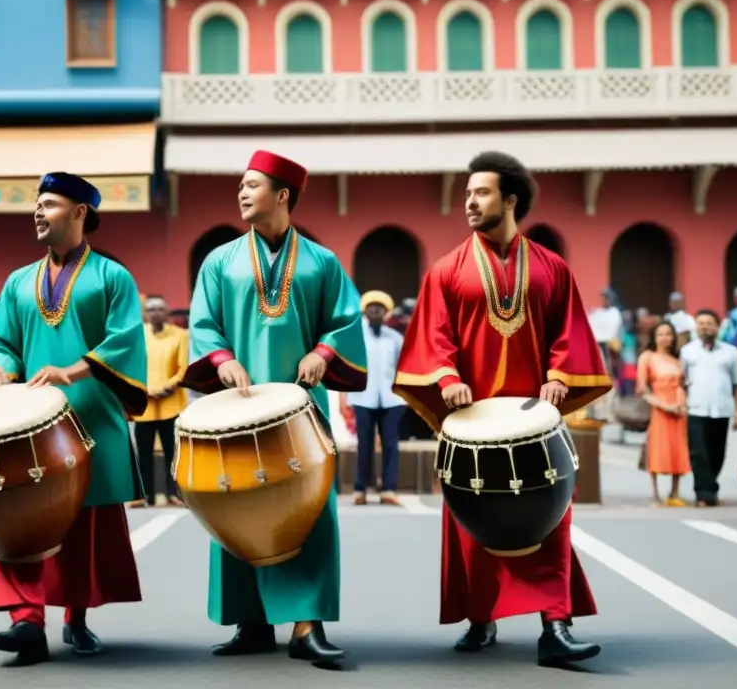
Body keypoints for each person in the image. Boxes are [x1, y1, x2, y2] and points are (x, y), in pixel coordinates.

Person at [392, 151, 612, 668]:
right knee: (471, 523)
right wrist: (446, 378)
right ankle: (480, 618)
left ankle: (556, 627)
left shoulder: (553, 269)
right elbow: (433, 338)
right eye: (467, 194)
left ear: (511, 199)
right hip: (472, 424)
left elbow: (568, 333)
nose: (469, 201)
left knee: (551, 522)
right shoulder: (446, 270)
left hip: (534, 423)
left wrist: (559, 375)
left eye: (481, 192)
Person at [181, 149, 368, 664]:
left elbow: (344, 320)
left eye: (252, 185)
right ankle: (251, 622)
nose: (241, 193)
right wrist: (220, 360)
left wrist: (322, 352)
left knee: (310, 510)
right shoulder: (219, 260)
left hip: (302, 409)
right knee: (235, 503)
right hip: (235, 410)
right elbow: (203, 323)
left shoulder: (321, 261)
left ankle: (307, 625)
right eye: (239, 185)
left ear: (282, 195)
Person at [0, 171, 148, 665]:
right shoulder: (17, 281)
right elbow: (2, 342)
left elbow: (124, 340)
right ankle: (26, 621)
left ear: (80, 213)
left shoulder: (113, 277)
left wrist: (73, 372)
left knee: (81, 524)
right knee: (20, 519)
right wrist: (0, 370)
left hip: (90, 418)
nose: (38, 211)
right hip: (32, 423)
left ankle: (76, 616)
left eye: (50, 204)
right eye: (37, 204)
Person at [680, 309, 737, 507]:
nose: (704, 327)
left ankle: (710, 487)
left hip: (722, 409)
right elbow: (681, 381)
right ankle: (704, 493)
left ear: (717, 326)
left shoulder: (731, 352)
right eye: (701, 323)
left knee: (717, 452)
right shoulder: (687, 351)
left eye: (709, 323)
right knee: (698, 452)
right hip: (695, 408)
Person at [348, 290, 406, 506]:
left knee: (391, 443)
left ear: (386, 313)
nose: (375, 310)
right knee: (364, 443)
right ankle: (360, 489)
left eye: (379, 308)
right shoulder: (355, 336)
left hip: (392, 400)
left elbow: (403, 367)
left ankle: (389, 489)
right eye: (371, 307)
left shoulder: (396, 338)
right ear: (365, 310)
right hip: (362, 397)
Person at [131, 295, 188, 508]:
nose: (155, 312)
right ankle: (145, 495)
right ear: (146, 313)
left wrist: (168, 387)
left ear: (167, 312)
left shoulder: (181, 335)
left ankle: (175, 493)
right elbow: (133, 366)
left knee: (173, 452)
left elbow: (183, 368)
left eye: (160, 309)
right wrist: (144, 389)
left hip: (170, 403)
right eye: (151, 309)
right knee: (143, 453)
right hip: (144, 405)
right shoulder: (138, 336)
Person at [636, 321, 690, 506]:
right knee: (657, 449)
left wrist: (680, 404)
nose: (664, 338)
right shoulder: (647, 357)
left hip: (679, 408)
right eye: (660, 334)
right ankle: (655, 493)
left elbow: (684, 385)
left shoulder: (678, 360)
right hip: (659, 408)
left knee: (678, 448)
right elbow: (643, 390)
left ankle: (674, 493)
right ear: (654, 337)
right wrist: (664, 406)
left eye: (668, 334)